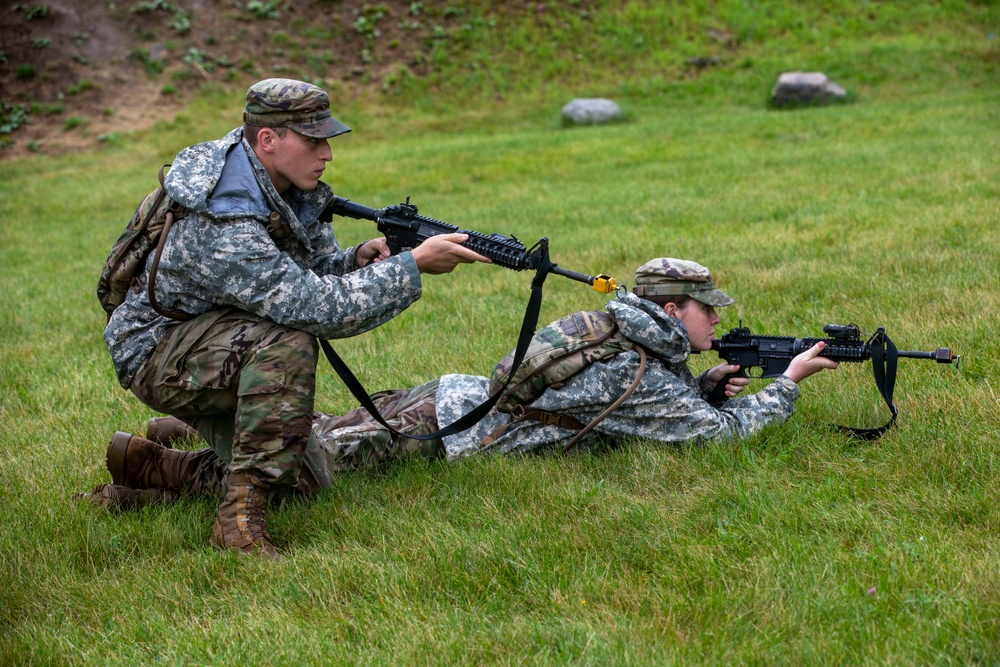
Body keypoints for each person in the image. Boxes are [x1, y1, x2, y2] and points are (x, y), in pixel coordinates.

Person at [79, 258, 837, 512]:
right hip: (446, 435)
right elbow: (717, 438)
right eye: (708, 311)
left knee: (325, 432)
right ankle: (158, 469)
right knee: (301, 472)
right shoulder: (644, 369)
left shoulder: (617, 328)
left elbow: (618, 405)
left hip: (450, 396)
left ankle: (166, 453)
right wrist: (790, 382)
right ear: (674, 310)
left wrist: (700, 384)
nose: (714, 322)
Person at [97, 78, 488, 559]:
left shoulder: (281, 186)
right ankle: (238, 522)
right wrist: (411, 267)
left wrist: (359, 259)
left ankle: (157, 465)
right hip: (159, 351)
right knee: (286, 344)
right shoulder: (226, 217)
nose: (327, 153)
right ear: (268, 140)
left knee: (304, 481)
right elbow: (316, 309)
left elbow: (307, 273)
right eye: (314, 140)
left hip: (213, 334)